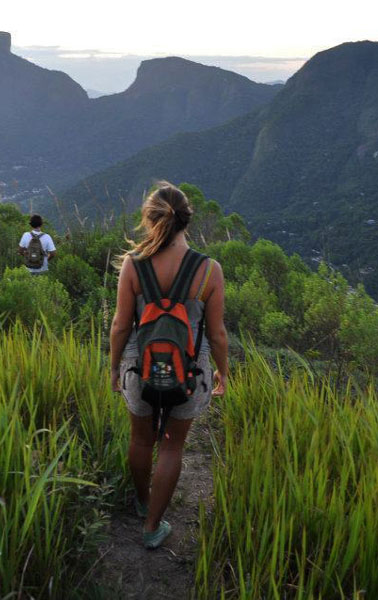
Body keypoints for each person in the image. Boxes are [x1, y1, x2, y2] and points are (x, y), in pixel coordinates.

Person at [110, 181, 228, 549]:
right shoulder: (210, 271)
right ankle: (152, 525)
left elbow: (120, 324)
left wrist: (115, 368)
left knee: (141, 438)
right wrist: (222, 371)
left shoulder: (134, 264)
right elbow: (217, 332)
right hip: (189, 370)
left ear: (149, 219)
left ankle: (142, 500)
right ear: (186, 221)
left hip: (138, 367)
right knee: (173, 446)